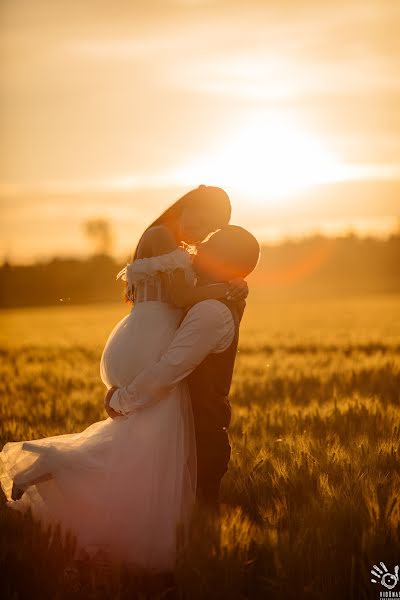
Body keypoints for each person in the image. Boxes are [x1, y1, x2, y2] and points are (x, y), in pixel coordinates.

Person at [0, 185, 248, 574]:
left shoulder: (168, 238)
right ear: (189, 205)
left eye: (211, 230)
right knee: (151, 439)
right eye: (203, 221)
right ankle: (78, 487)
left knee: (136, 441)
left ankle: (53, 469)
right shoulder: (163, 235)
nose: (201, 235)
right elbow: (183, 297)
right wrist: (229, 288)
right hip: (150, 343)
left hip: (144, 337)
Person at [105, 225, 261, 512]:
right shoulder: (212, 298)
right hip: (181, 437)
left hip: (198, 445)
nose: (199, 246)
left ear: (223, 262)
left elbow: (169, 370)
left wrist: (119, 400)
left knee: (195, 533)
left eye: (211, 245)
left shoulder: (210, 311)